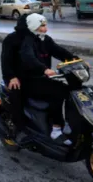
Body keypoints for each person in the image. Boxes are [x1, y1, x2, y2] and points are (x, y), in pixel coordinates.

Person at [19, 14, 79, 145]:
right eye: (42, 25)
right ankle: (56, 129)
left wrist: (77, 61)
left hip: (43, 79)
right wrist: (44, 69)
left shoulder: (46, 40)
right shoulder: (27, 41)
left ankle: (69, 122)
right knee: (58, 92)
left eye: (45, 25)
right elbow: (29, 58)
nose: (45, 28)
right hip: (30, 81)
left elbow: (60, 52)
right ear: (34, 26)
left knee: (73, 90)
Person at [0, 14, 29, 140]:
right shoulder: (11, 39)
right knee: (17, 95)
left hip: (33, 76)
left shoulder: (36, 38)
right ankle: (19, 127)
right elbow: (5, 61)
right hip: (15, 77)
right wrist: (11, 77)